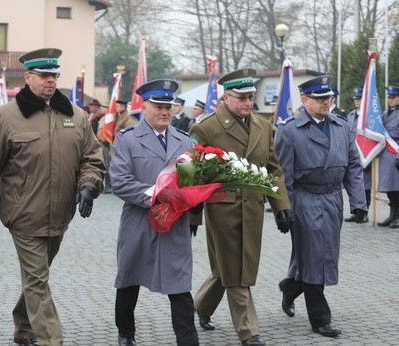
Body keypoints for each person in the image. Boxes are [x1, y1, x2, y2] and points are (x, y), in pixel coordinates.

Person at [0, 48, 105, 346]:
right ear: (28, 78)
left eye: (54, 76)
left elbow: (92, 157)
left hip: (61, 215)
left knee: (36, 278)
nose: (50, 81)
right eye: (44, 76)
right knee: (38, 279)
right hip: (23, 215)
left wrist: (88, 185)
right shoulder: (5, 117)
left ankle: (24, 328)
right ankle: (52, 340)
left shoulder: (75, 116)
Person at [190, 68, 292, 346]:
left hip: (254, 209)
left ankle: (197, 308)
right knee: (238, 272)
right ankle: (248, 331)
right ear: (226, 97)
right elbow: (192, 175)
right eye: (242, 97)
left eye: (251, 97)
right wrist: (193, 217)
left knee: (229, 268)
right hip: (223, 210)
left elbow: (273, 169)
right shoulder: (207, 127)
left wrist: (281, 205)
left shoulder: (262, 125)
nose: (248, 103)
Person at [275, 75, 367, 338]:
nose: (326, 103)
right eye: (319, 98)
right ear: (305, 100)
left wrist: (359, 202)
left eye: (328, 98)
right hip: (305, 200)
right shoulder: (290, 130)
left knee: (324, 255)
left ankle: (291, 287)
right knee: (314, 257)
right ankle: (320, 318)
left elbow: (353, 165)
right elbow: (284, 174)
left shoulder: (340, 126)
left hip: (332, 199)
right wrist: (285, 209)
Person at [110, 79, 199, 346]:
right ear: (144, 106)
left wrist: (192, 206)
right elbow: (121, 182)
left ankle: (188, 340)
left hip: (175, 224)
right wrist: (159, 196)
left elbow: (194, 183)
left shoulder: (185, 142)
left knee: (180, 284)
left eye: (168, 106)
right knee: (129, 280)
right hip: (140, 220)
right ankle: (126, 333)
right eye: (158, 106)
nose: (164, 112)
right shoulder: (127, 140)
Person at [345, 88, 370, 223]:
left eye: (359, 99)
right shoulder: (350, 116)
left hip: (364, 153)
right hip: (352, 153)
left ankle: (364, 211)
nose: (357, 102)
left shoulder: (368, 117)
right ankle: (355, 210)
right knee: (352, 183)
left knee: (365, 185)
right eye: (355, 99)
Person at [377, 85, 399, 228]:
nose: (390, 100)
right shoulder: (385, 114)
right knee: (389, 187)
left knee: (397, 187)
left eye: (394, 97)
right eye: (389, 98)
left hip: (396, 152)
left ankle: (398, 216)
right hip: (386, 154)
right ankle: (392, 214)